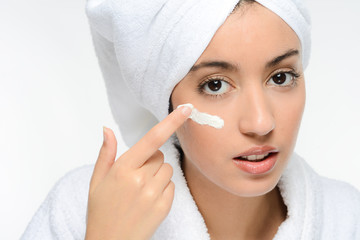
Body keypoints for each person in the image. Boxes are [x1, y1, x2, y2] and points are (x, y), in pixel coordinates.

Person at [22, 0, 360, 239]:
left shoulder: (346, 219)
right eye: (215, 85)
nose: (260, 122)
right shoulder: (81, 209)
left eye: (281, 77)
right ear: (165, 101)